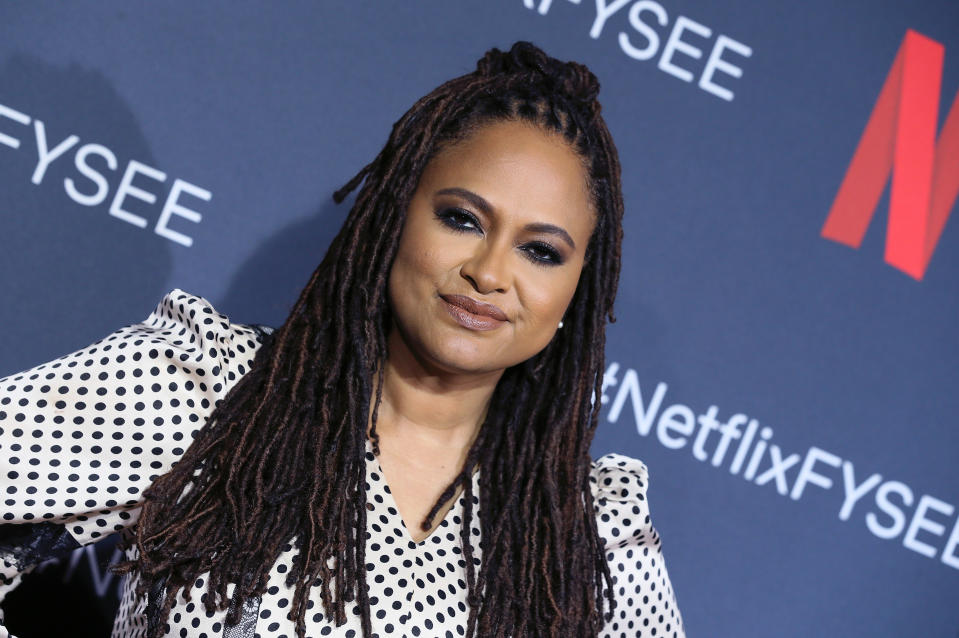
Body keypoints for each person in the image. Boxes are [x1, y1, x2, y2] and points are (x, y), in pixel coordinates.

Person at [0, 42, 684, 638]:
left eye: (540, 252)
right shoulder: (212, 387)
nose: (488, 272)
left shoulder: (588, 530)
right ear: (391, 218)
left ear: (576, 294)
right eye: (461, 219)